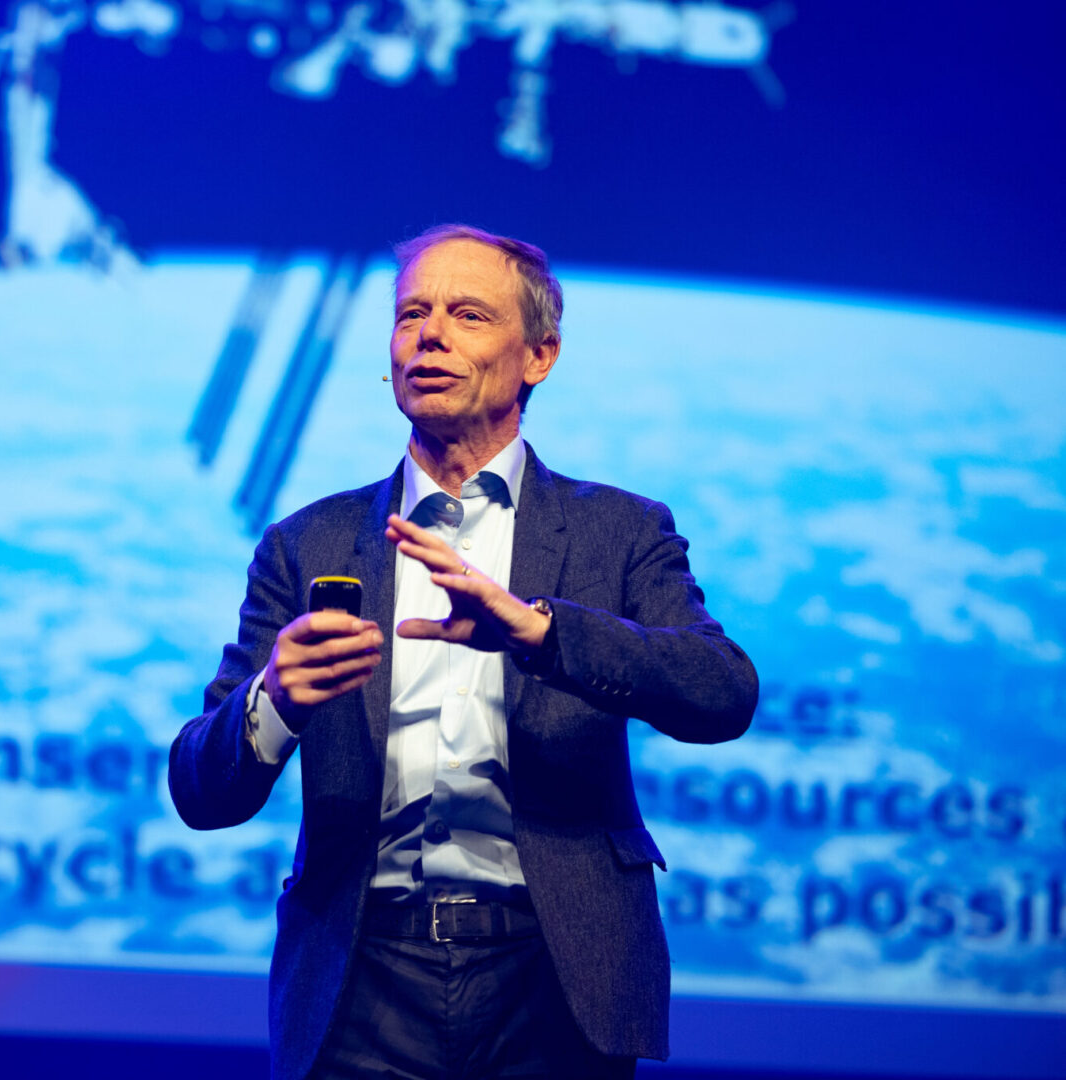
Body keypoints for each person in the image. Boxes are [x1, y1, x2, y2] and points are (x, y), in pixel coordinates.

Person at [169, 224, 758, 1080]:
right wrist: (274, 703)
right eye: (412, 314)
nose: (430, 334)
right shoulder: (310, 543)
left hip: (553, 977)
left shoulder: (618, 532)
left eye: (468, 314)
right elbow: (199, 789)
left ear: (539, 356)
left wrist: (542, 634)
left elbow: (722, 692)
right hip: (362, 979)